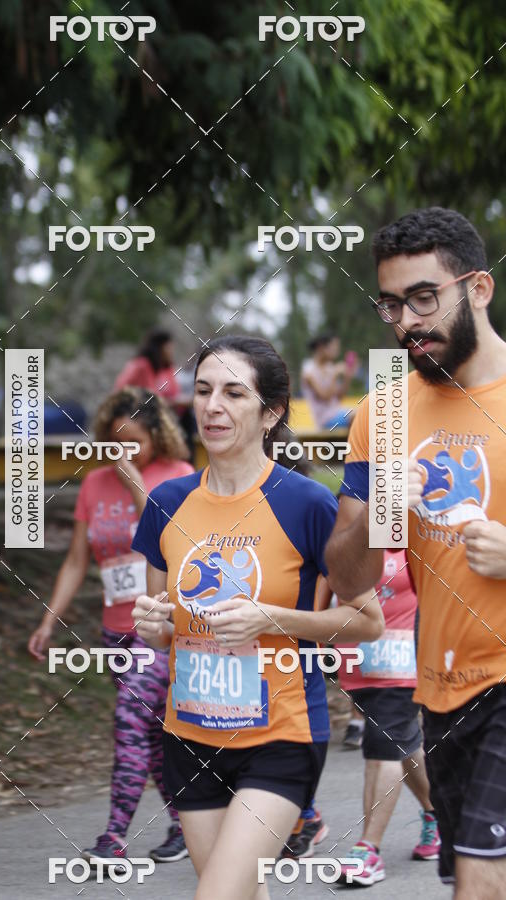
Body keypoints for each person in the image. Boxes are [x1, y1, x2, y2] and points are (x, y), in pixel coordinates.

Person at [131, 335, 384, 900]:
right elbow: (164, 627)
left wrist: (269, 618)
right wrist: (154, 625)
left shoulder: (306, 503)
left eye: (233, 393)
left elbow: (367, 620)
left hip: (281, 734)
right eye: (202, 391)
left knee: (217, 895)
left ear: (271, 412)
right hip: (189, 735)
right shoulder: (166, 502)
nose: (213, 406)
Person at [324, 207, 506, 899]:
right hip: (440, 692)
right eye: (392, 304)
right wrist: (381, 516)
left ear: (478, 289)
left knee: (481, 883)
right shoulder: (385, 414)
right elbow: (348, 578)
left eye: (425, 298)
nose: (407, 322)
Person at [28, 387, 193, 865]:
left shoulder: (178, 478)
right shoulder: (95, 484)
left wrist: (138, 484)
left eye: (133, 442)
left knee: (128, 720)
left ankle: (113, 839)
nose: (122, 452)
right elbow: (78, 561)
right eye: (114, 442)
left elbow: (175, 545)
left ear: (157, 436)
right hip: (113, 630)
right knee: (153, 732)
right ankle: (186, 823)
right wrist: (48, 620)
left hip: (160, 626)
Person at [326, 549, 439, 885]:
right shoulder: (347, 532)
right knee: (403, 745)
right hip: (356, 666)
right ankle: (439, 816)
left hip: (401, 663)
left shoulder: (419, 534)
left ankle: (368, 849)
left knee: (382, 747)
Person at [300, 334, 358, 430]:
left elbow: (339, 398)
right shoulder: (308, 371)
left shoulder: (330, 367)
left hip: (337, 413)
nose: (336, 350)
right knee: (357, 415)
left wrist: (348, 377)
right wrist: (334, 375)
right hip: (324, 420)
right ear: (321, 347)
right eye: (334, 347)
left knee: (364, 412)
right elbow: (324, 396)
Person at [114, 329, 180, 402]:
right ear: (158, 348)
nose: (171, 352)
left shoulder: (165, 368)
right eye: (168, 348)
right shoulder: (142, 365)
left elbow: (174, 392)